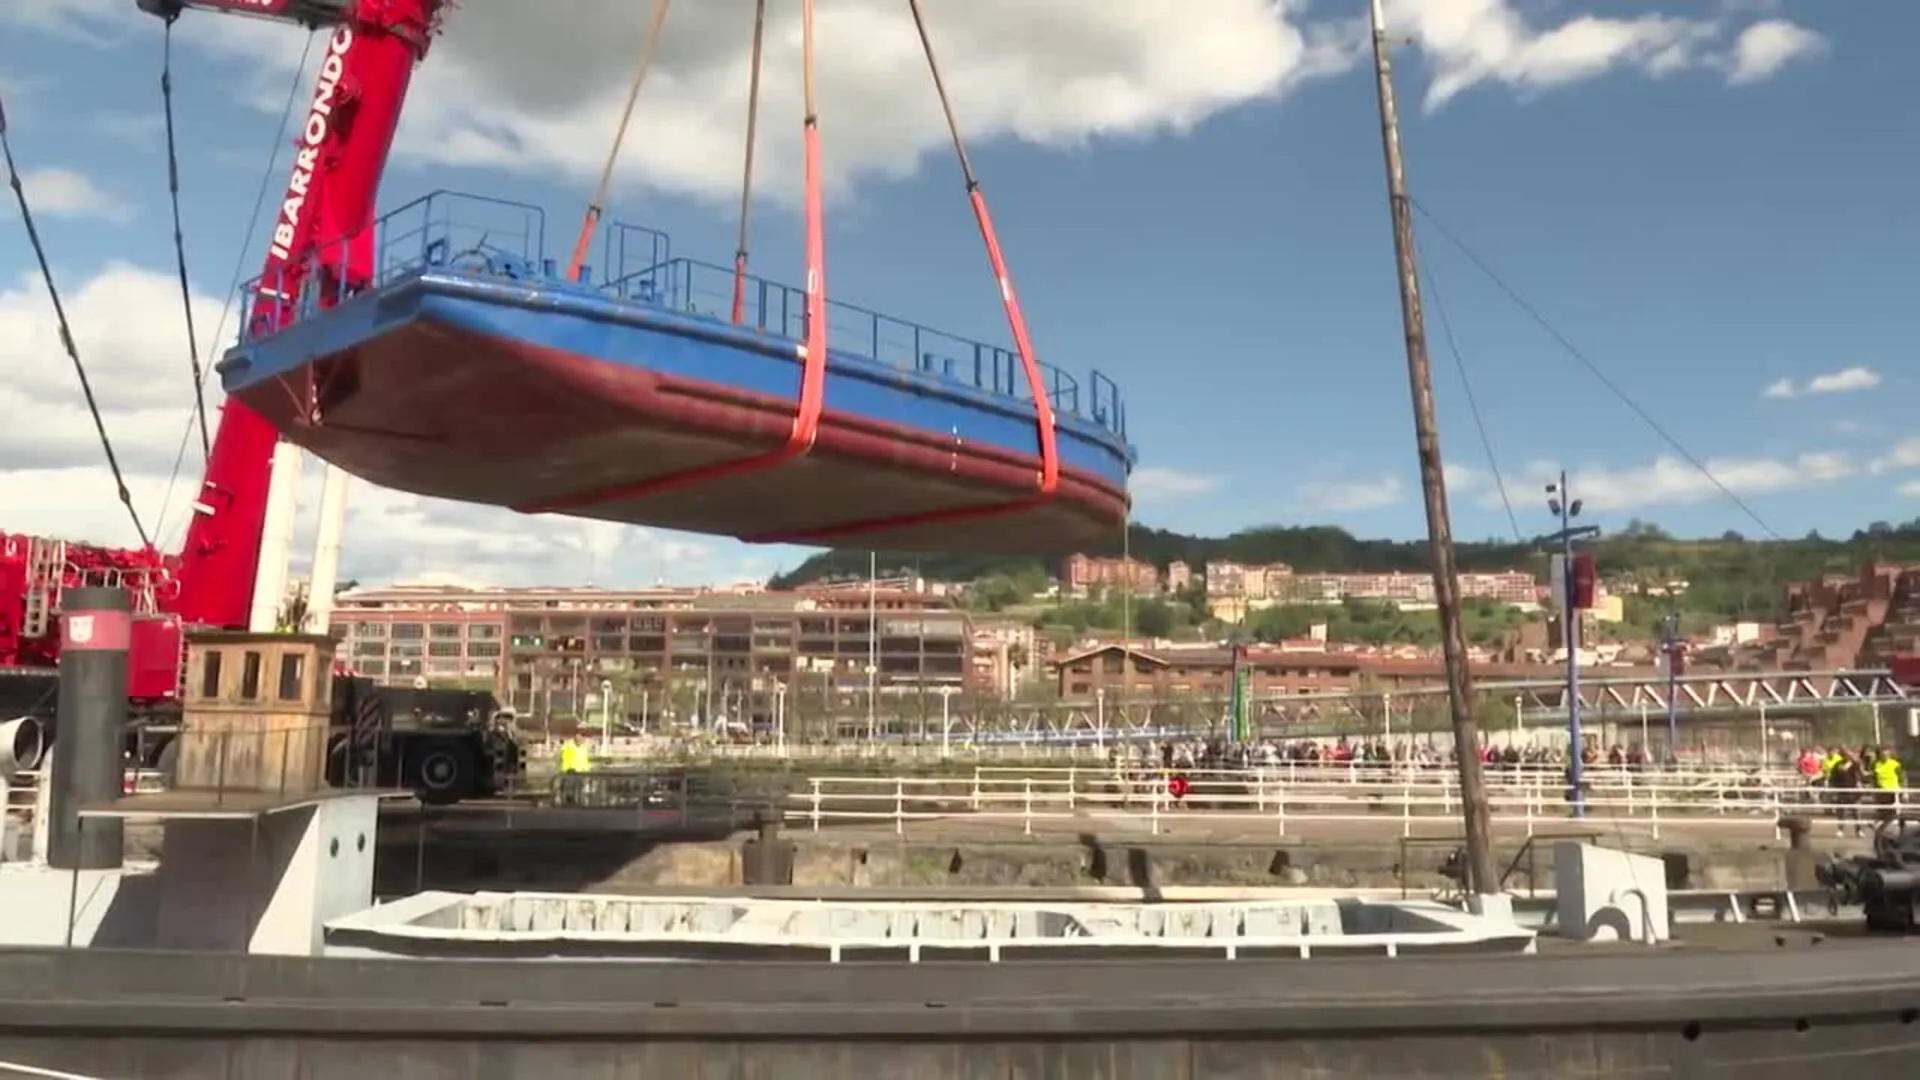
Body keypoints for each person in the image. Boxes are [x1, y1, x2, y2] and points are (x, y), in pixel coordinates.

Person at [557, 731, 594, 806]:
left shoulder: (583, 747)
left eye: (583, 738)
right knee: (570, 790)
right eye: (580, 737)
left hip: (580, 772)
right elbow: (566, 759)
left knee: (579, 790)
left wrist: (587, 771)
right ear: (576, 736)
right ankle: (569, 804)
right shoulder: (569, 746)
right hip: (570, 772)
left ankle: (577, 803)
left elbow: (585, 760)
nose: (582, 739)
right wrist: (568, 769)